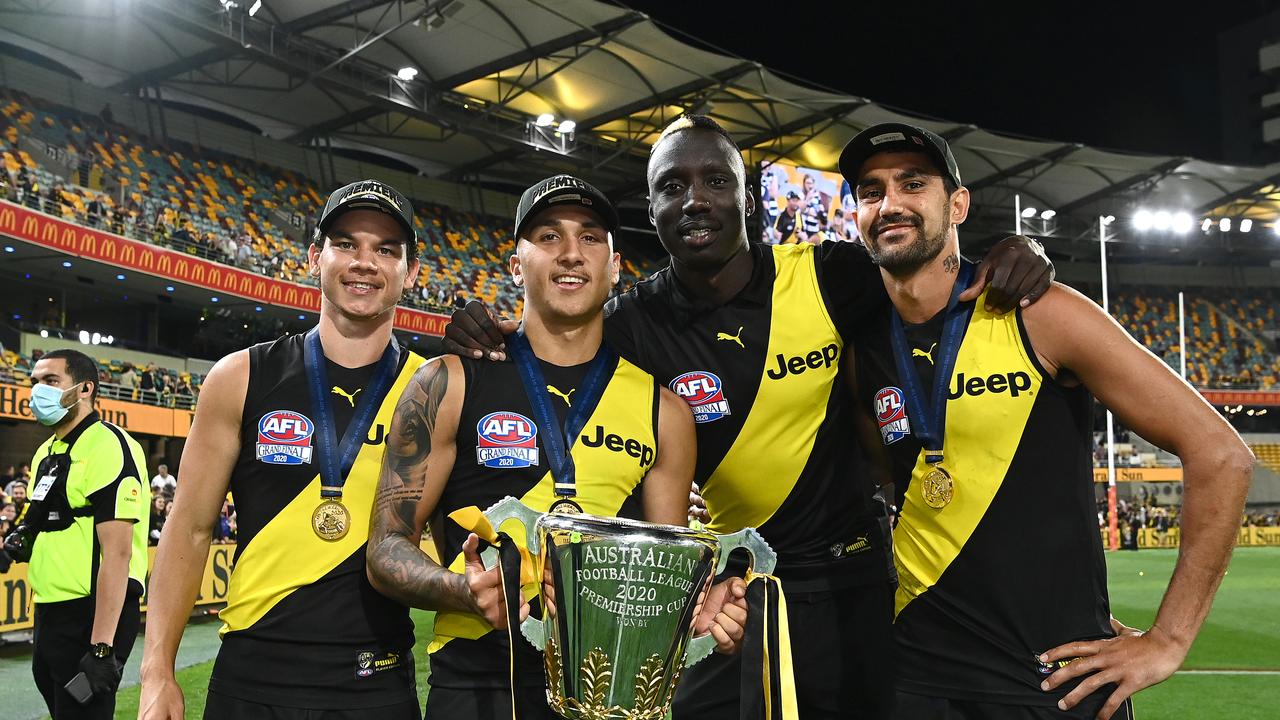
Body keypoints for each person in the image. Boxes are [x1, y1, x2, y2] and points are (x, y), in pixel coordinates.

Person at [442, 114, 1051, 719]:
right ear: (651, 210)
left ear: (747, 199)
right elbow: (549, 344)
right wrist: (482, 329)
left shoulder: (830, 276)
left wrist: (1016, 251)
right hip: (719, 603)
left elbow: (928, 275)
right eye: (672, 187)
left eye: (715, 181)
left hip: (849, 592)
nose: (695, 200)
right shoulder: (629, 323)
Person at [839, 122, 1254, 720]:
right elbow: (880, 481)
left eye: (913, 184)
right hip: (916, 680)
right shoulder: (861, 345)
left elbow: (1221, 455)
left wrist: (1168, 641)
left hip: (1054, 684)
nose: (890, 204)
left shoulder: (1042, 314)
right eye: (871, 191)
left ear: (957, 205)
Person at [367, 174, 747, 719]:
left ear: (615, 267)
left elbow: (665, 577)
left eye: (591, 237)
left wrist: (702, 609)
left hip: (608, 694)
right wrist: (461, 588)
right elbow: (385, 551)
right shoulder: (446, 383)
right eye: (548, 236)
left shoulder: (663, 411)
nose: (571, 253)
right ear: (516, 264)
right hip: (480, 689)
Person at [138, 179, 427, 720]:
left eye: (386, 250)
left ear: (411, 274)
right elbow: (191, 528)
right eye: (346, 244)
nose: (365, 262)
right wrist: (157, 671)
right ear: (315, 257)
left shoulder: (435, 390)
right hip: (253, 679)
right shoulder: (239, 377)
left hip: (377, 684)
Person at [2, 348, 149, 719]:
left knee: (82, 709)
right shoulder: (45, 452)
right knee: (59, 703)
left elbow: (117, 554)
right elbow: (38, 517)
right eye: (34, 382)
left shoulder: (109, 445)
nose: (38, 391)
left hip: (93, 614)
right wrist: (16, 541)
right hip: (50, 610)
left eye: (51, 381)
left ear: (85, 389)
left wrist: (102, 648)